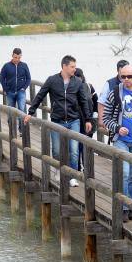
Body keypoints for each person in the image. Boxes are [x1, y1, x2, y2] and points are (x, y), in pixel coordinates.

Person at [23, 55, 92, 187]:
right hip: (57, 120)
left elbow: (83, 101)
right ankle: (58, 171)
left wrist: (88, 119)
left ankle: (72, 176)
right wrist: (30, 112)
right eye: (72, 66)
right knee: (56, 150)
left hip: (74, 120)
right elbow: (40, 95)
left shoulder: (77, 82)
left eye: (75, 66)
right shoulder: (52, 80)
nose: (74, 69)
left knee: (74, 150)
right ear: (64, 66)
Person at [101, 64, 132, 221]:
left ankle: (131, 205)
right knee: (124, 173)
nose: (126, 80)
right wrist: (117, 128)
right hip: (120, 140)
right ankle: (123, 207)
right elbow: (106, 118)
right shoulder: (115, 94)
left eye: (129, 76)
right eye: (123, 77)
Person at [97, 60, 132, 141]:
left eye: (129, 75)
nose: (126, 78)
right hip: (115, 120)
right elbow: (101, 102)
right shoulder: (110, 83)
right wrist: (101, 119)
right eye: (123, 75)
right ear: (118, 71)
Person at [0, 48, 32, 115]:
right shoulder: (6, 66)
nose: (17, 59)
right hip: (10, 92)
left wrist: (24, 88)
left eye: (19, 57)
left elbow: (28, 78)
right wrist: (6, 89)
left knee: (22, 110)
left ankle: (21, 125)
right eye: (15, 57)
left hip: (21, 92)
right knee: (10, 112)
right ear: (12, 55)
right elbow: (2, 79)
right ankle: (11, 124)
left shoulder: (24, 65)